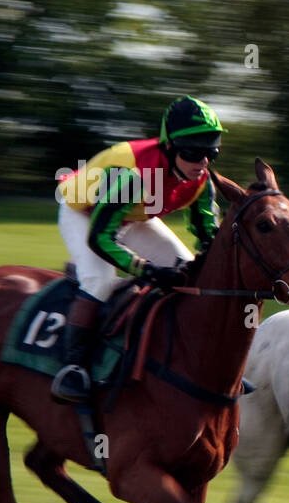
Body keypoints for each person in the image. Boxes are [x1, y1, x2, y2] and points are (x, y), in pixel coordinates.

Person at [49, 95, 226, 403]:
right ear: (168, 147)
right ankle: (73, 368)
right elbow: (101, 237)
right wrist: (146, 269)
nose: (203, 162)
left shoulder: (200, 179)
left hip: (133, 214)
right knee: (101, 280)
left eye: (211, 152)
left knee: (189, 272)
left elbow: (207, 234)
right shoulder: (134, 173)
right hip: (85, 214)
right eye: (194, 152)